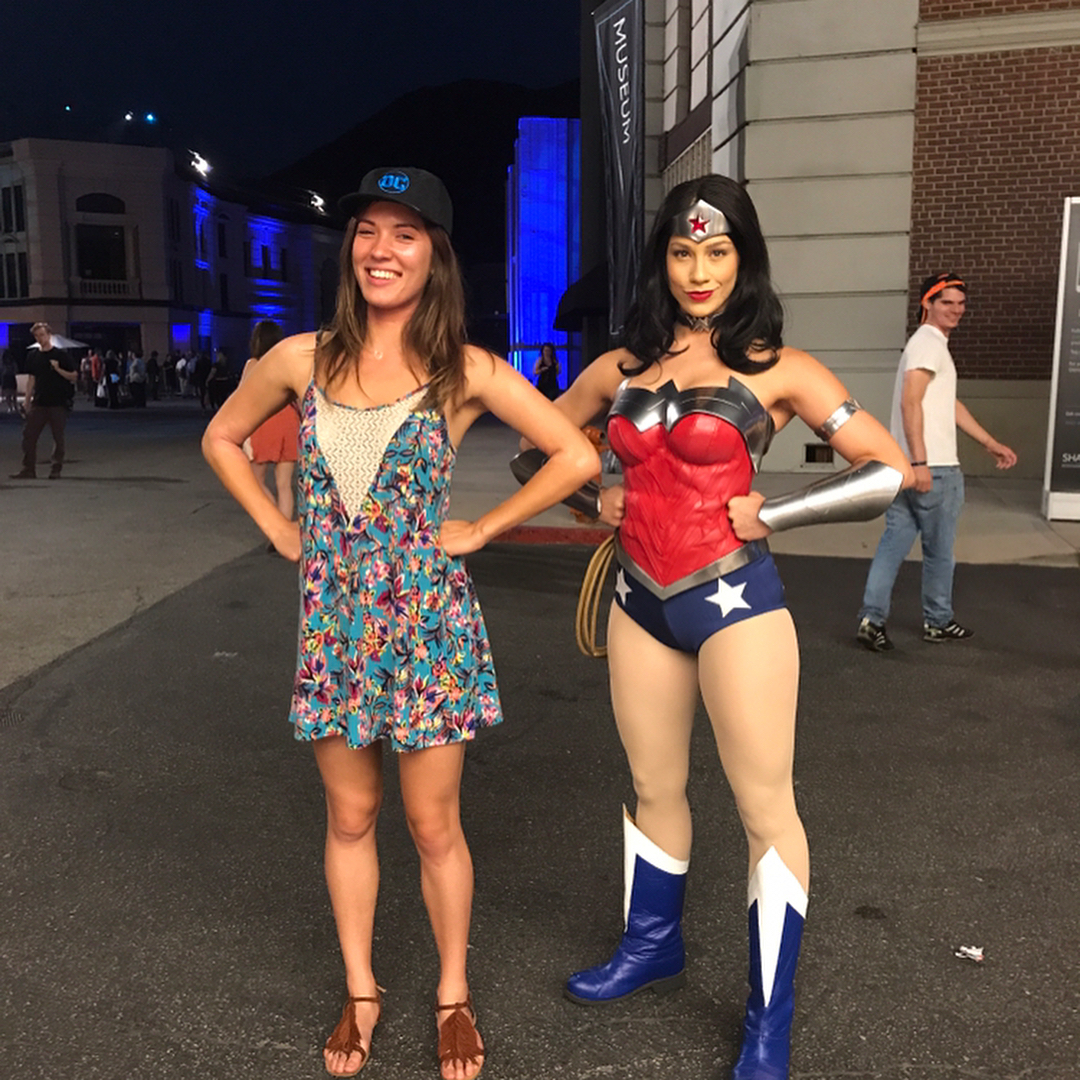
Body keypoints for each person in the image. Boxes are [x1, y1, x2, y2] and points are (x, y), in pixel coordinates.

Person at [202, 166, 598, 1080]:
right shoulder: (298, 358)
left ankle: (453, 994)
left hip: (428, 626)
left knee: (432, 825)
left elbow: (574, 452)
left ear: (435, 255)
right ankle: (361, 990)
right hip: (334, 626)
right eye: (368, 231)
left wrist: (486, 527)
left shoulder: (464, 368)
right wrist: (277, 528)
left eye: (405, 233)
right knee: (350, 816)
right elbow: (222, 437)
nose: (381, 250)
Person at [542, 175, 912, 1080]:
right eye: (681, 252)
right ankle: (651, 945)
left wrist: (776, 513)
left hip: (735, 600)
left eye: (716, 251)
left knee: (764, 805)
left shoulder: (780, 368)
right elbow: (537, 444)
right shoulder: (623, 366)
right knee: (653, 783)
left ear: (743, 258)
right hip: (640, 597)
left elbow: (887, 468)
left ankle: (766, 1019)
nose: (698, 270)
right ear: (661, 260)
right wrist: (594, 497)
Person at [856, 273, 1017, 651]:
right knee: (939, 553)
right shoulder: (928, 344)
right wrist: (921, 462)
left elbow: (948, 403)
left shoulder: (927, 345)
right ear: (927, 303)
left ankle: (871, 620)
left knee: (892, 545)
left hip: (905, 466)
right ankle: (938, 621)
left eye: (961, 303)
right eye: (947, 302)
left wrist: (989, 442)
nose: (956, 310)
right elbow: (910, 402)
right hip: (933, 467)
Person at [239, 320, 298, 536]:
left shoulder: (253, 364)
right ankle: (284, 530)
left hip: (264, 421)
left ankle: (276, 526)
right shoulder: (287, 363)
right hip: (289, 420)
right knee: (284, 484)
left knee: (256, 481)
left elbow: (241, 399)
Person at [11, 323, 78, 479]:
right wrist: (27, 401)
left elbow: (74, 376)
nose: (39, 338)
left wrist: (58, 369)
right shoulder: (33, 356)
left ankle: (56, 468)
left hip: (58, 402)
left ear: (49, 335)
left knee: (58, 437)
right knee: (29, 435)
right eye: (36, 336)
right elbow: (31, 379)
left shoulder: (61, 355)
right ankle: (28, 468)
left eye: (42, 335)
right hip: (39, 402)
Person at [1, 349, 17, 414]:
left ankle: (10, 407)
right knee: (13, 394)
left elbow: (1, 372)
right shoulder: (13, 363)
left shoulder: (3, 364)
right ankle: (14, 407)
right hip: (11, 378)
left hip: (6, 379)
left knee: (8, 395)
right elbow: (15, 370)